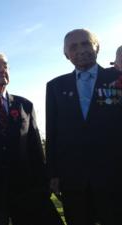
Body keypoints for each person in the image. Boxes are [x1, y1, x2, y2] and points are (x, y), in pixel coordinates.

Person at [0, 53, 62, 225]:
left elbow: (35, 147)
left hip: (26, 190)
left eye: (5, 66)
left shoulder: (24, 105)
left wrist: (45, 181)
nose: (3, 70)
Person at [46, 28, 122, 225]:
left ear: (97, 47)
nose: (80, 50)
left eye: (86, 43)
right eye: (73, 46)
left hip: (114, 177)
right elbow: (52, 132)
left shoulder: (118, 77)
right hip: (73, 180)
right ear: (66, 54)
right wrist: (53, 173)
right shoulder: (55, 86)